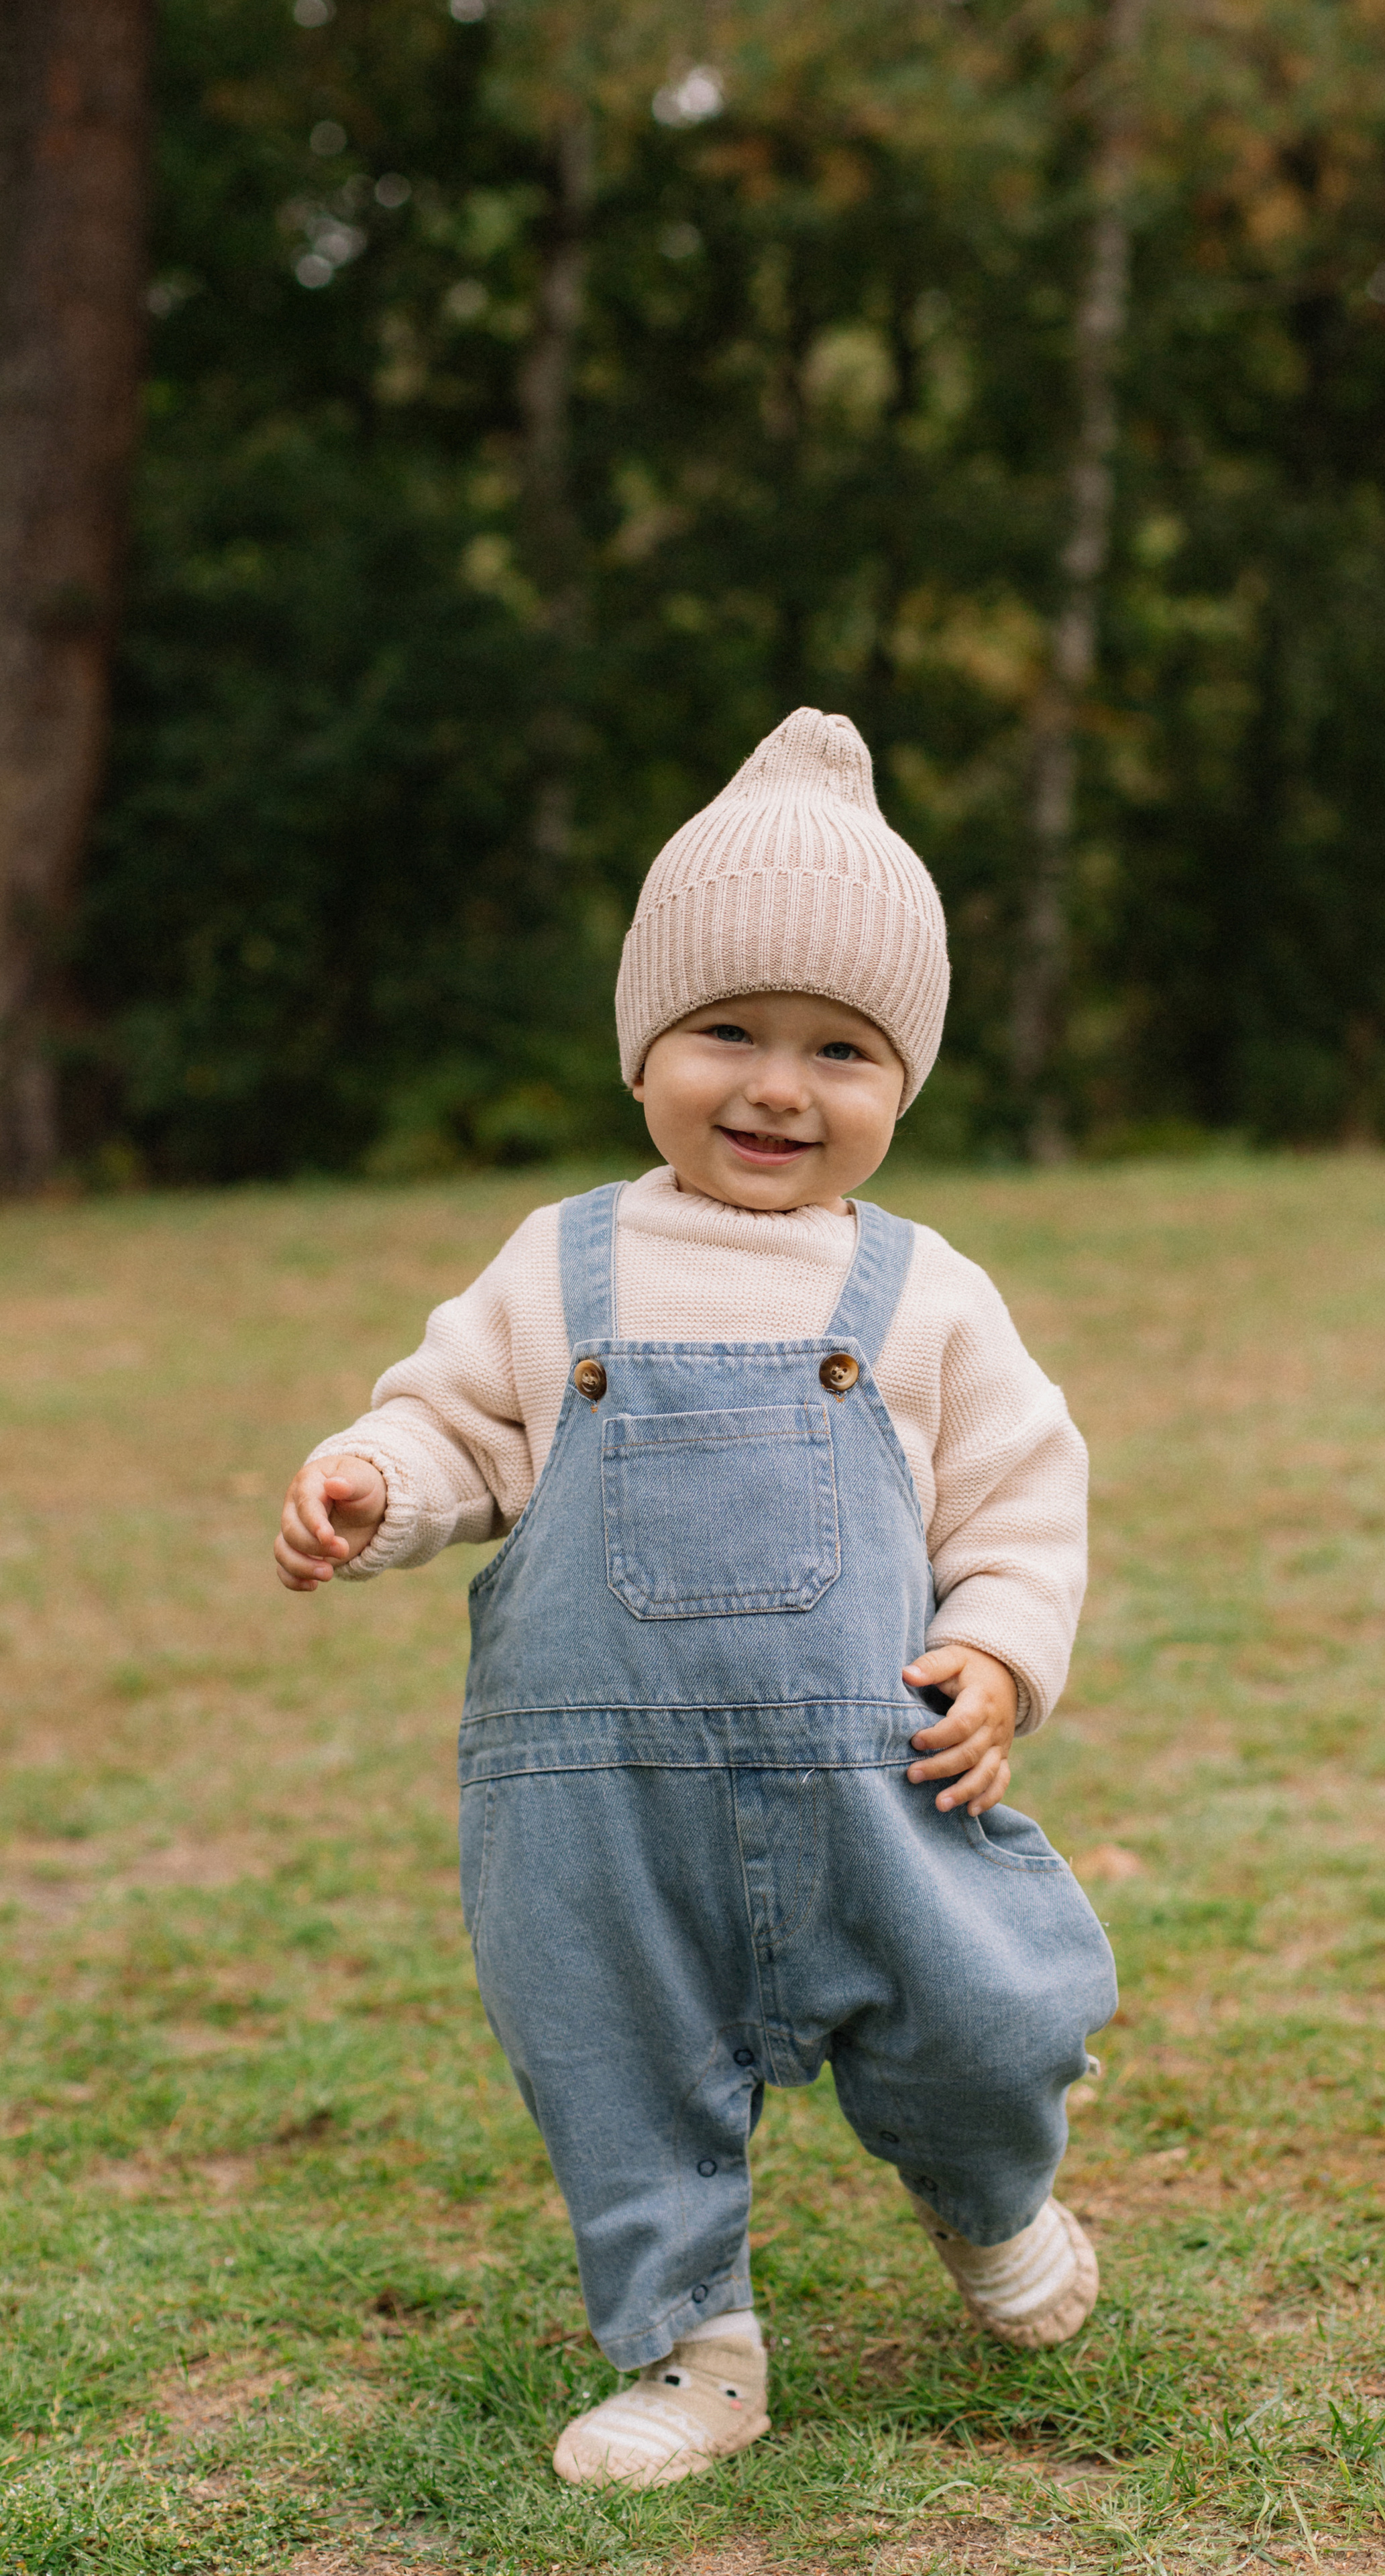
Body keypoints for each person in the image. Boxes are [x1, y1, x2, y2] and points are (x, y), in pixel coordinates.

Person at [274, 708, 1117, 2489]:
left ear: (905, 1085)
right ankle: (694, 2347)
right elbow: (459, 1427)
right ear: (645, 1045)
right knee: (611, 2059)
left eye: (842, 1051)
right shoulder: (560, 1261)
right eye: (727, 1030)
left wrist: (993, 1649)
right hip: (596, 1802)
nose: (777, 1088)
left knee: (980, 2014)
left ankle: (990, 2197)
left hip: (873, 1778)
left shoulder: (925, 1292)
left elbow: (1020, 1492)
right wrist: (379, 1483)